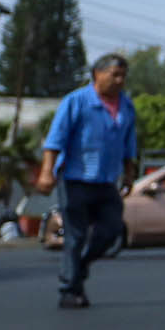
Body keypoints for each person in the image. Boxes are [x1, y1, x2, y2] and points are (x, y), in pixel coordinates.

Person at [36, 52, 141, 309]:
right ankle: (70, 290)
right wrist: (46, 171)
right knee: (75, 236)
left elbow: (129, 144)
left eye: (123, 76)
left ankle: (79, 266)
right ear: (97, 74)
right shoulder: (76, 101)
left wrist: (129, 173)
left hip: (106, 181)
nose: (119, 80)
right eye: (114, 74)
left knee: (112, 228)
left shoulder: (126, 106)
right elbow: (55, 140)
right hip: (75, 179)